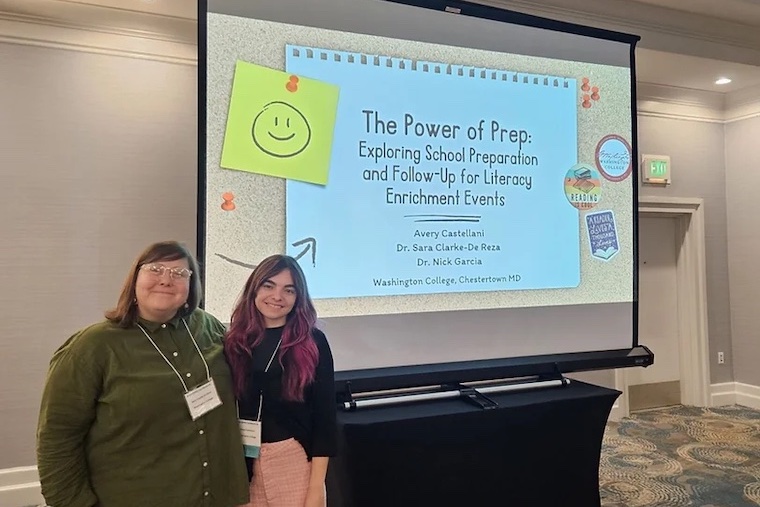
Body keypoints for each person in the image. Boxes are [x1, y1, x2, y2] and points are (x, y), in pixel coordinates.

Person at [36, 240, 249, 507]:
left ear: (191, 286)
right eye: (155, 269)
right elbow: (57, 439)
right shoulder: (91, 348)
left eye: (179, 273)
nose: (166, 279)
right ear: (135, 279)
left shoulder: (209, 328)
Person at [225, 254, 337, 507]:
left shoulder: (312, 342)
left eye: (289, 290)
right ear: (254, 289)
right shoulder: (234, 341)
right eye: (269, 285)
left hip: (293, 460)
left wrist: (316, 488)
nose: (277, 296)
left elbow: (325, 420)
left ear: (298, 298)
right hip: (243, 463)